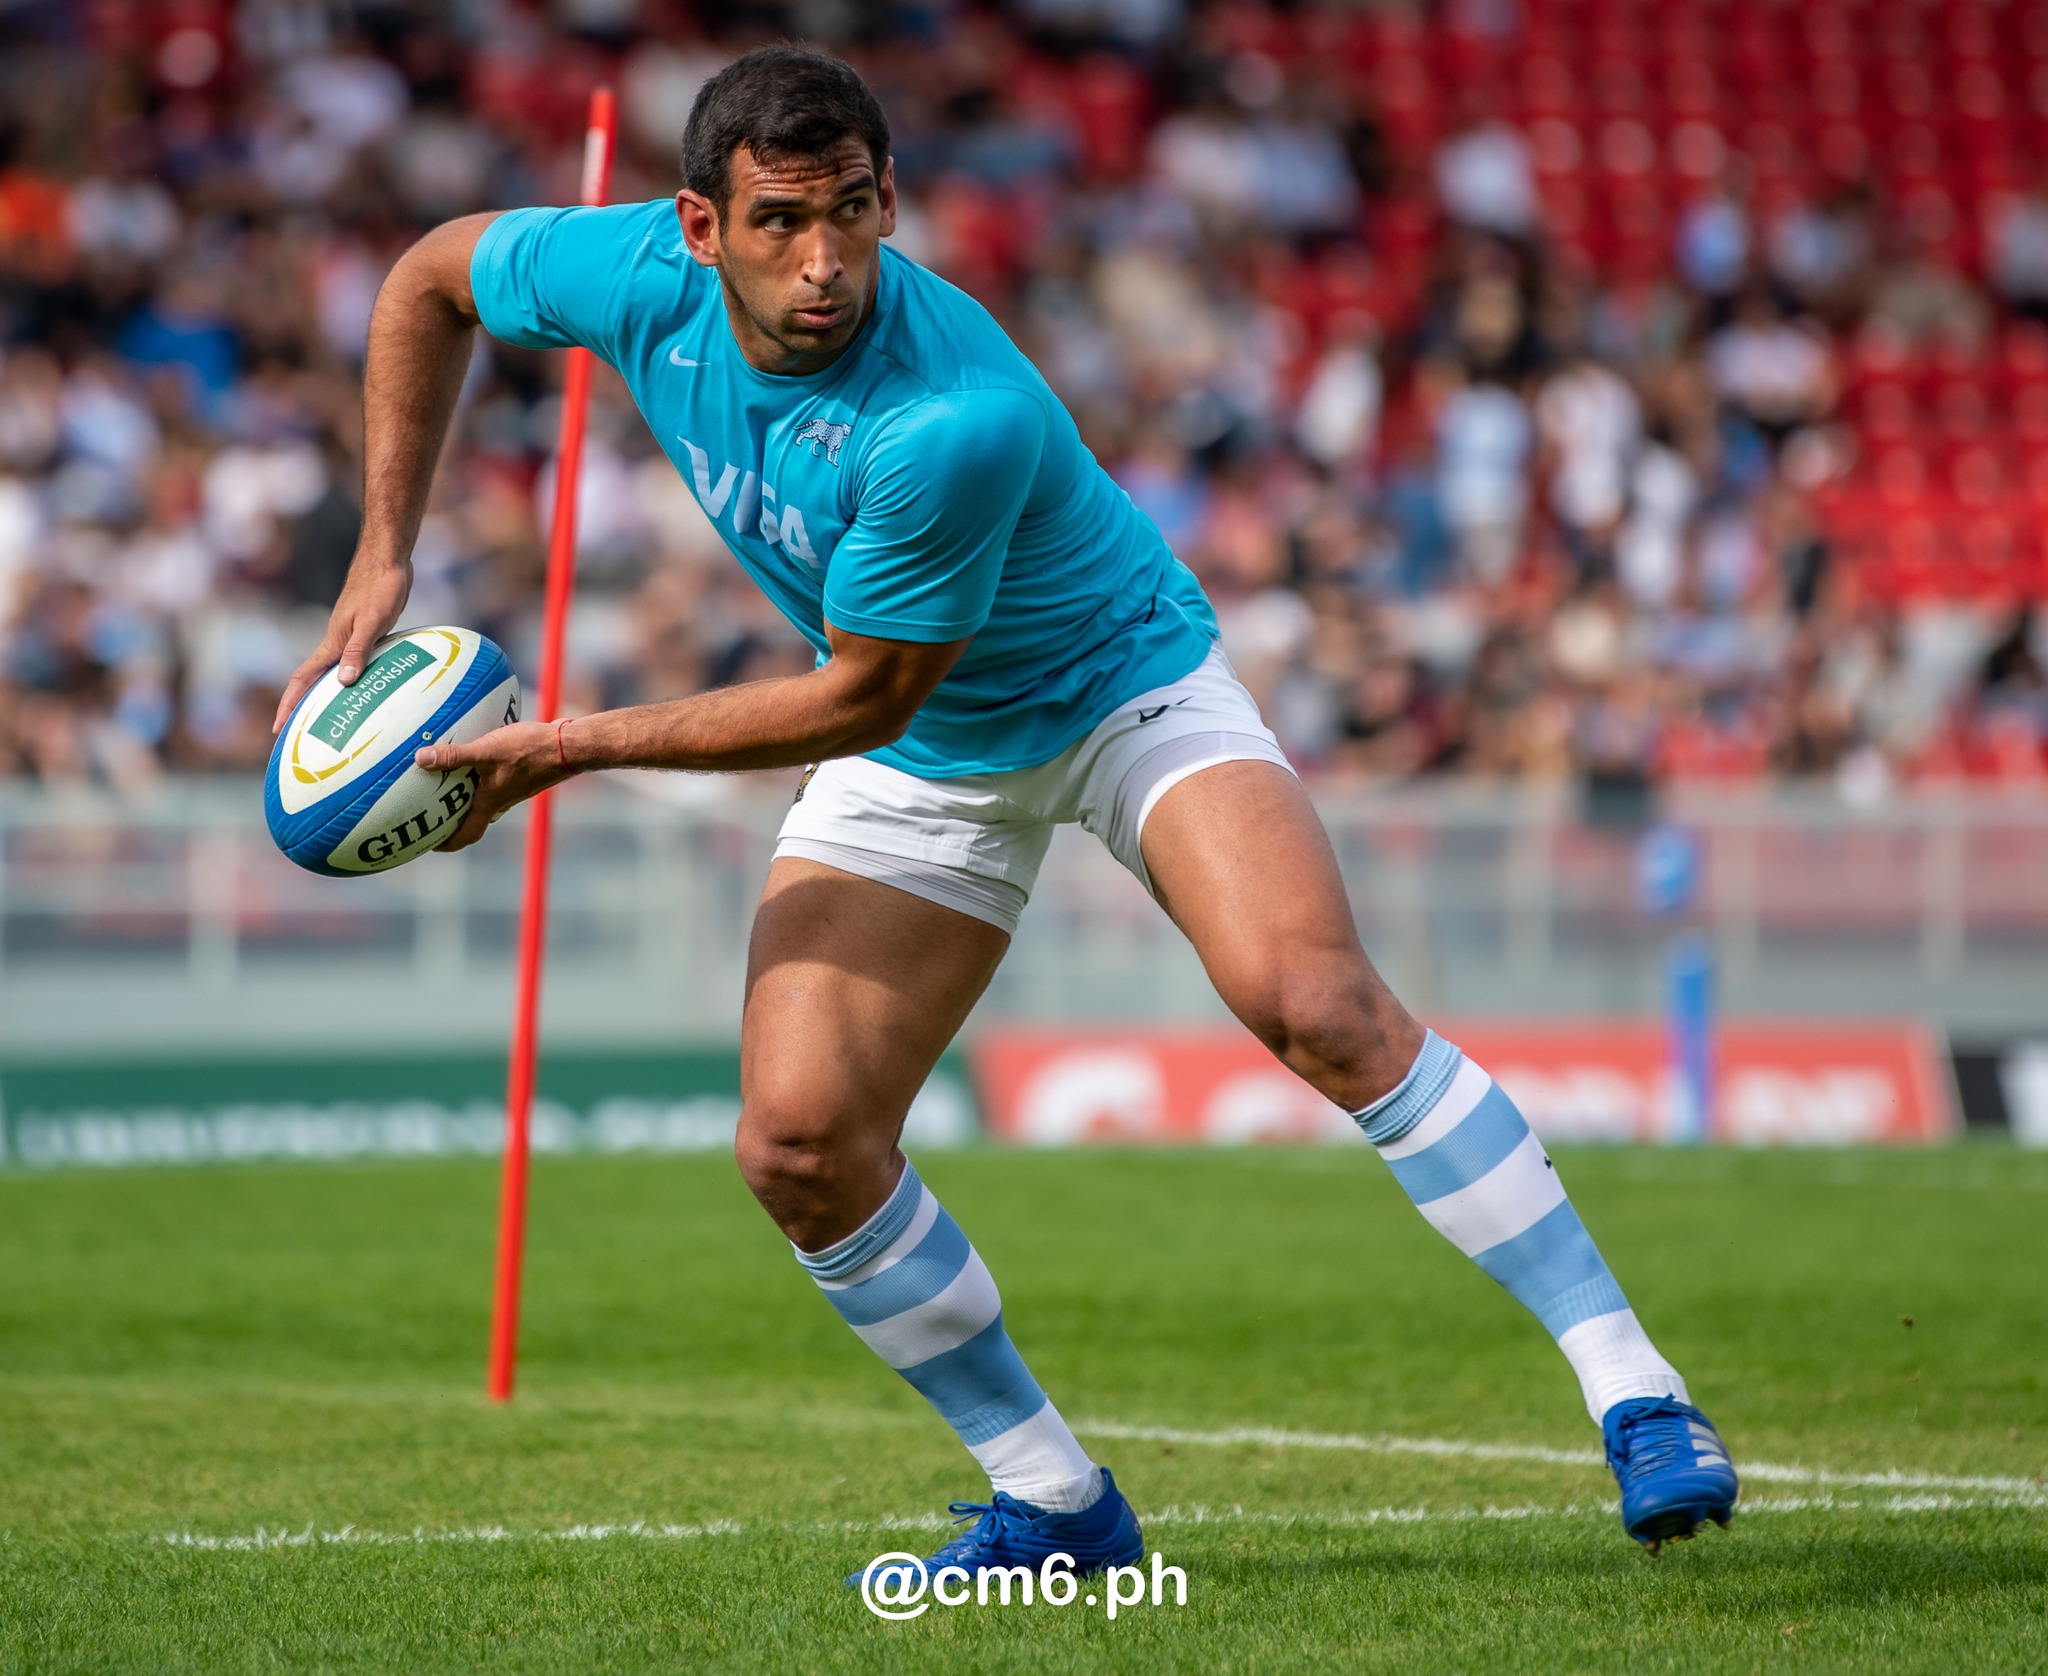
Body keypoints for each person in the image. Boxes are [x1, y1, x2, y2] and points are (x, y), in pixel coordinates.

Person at [277, 47, 1739, 1578]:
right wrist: (387, 550)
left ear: (889, 196)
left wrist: (568, 748)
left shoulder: (944, 413)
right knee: (797, 1143)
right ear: (698, 227)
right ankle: (1054, 1501)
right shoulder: (625, 269)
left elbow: (861, 701)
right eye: (781, 221)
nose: (826, 259)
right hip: (931, 744)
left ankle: (1638, 1393)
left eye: (854, 211)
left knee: (1315, 1003)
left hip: (1117, 690)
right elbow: (427, 281)